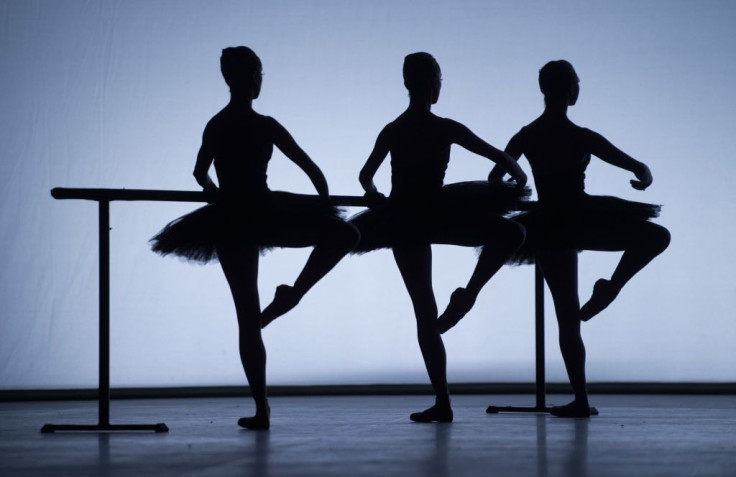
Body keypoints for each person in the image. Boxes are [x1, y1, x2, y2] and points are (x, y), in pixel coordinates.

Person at [150, 47, 359, 429]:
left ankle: (262, 409)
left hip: (233, 214)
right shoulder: (265, 124)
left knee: (246, 315)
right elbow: (310, 168)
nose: (260, 81)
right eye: (260, 74)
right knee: (345, 232)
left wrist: (218, 196)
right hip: (263, 210)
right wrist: (323, 202)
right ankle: (293, 294)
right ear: (251, 78)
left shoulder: (216, 124)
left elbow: (199, 173)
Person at [351, 52, 528, 422]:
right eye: (438, 80)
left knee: (424, 310)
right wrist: (518, 177)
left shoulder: (394, 129)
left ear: (406, 83)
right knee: (511, 232)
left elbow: (365, 176)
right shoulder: (445, 127)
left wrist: (373, 196)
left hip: (405, 216)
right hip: (435, 211)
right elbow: (499, 156)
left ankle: (443, 400)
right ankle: (469, 294)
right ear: (433, 85)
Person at [488, 60, 671, 417]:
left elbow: (496, 175)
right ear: (569, 89)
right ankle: (613, 287)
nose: (578, 88)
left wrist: (520, 182)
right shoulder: (582, 136)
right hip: (580, 215)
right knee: (655, 235)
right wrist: (644, 180)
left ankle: (582, 399)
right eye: (577, 82)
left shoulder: (528, 134)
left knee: (567, 318)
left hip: (551, 222)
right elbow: (639, 168)